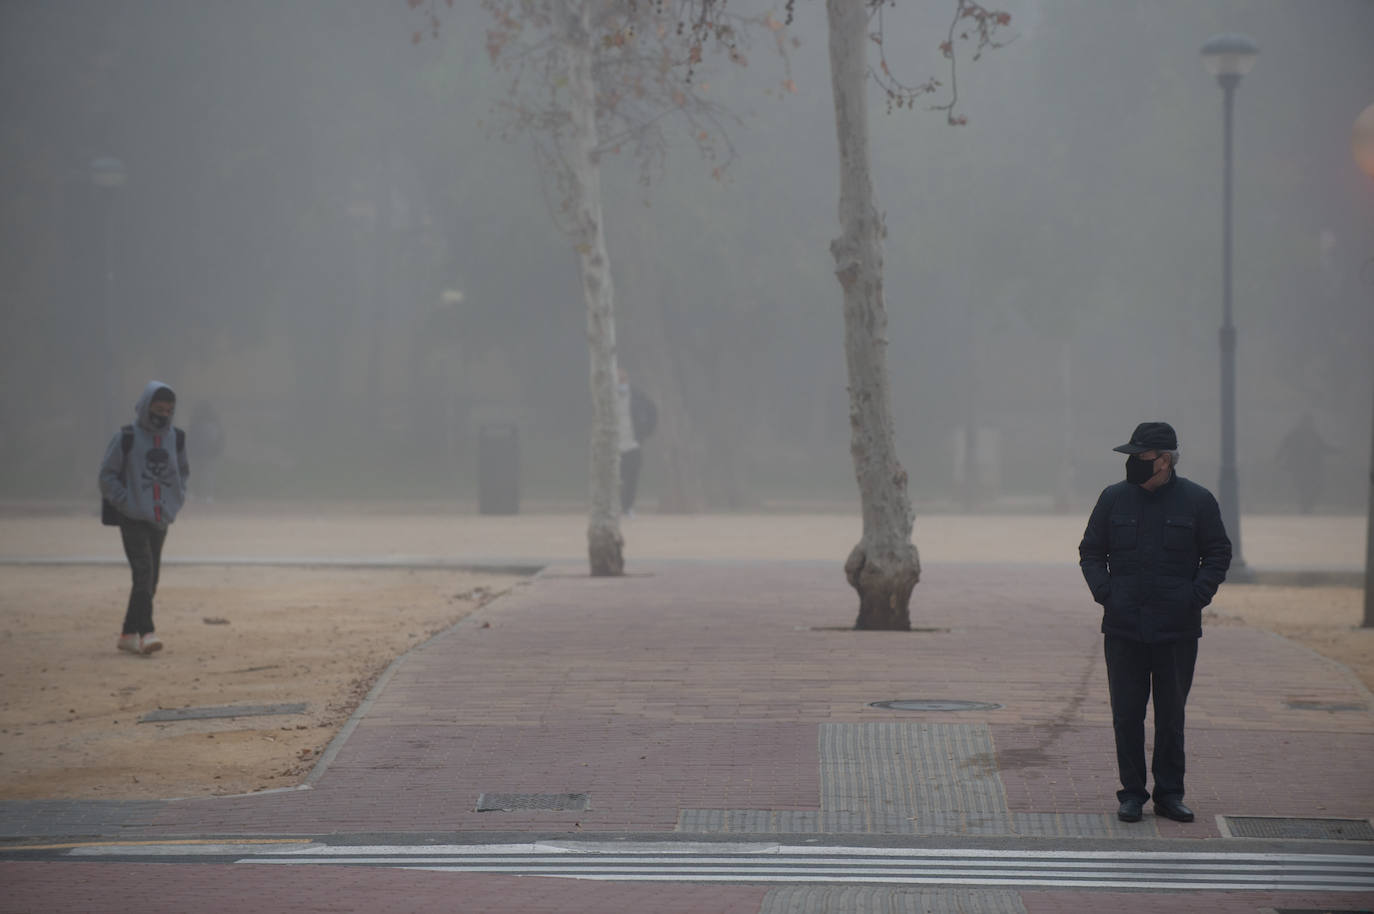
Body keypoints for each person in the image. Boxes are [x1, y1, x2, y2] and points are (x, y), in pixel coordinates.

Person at [1077, 421, 1231, 824]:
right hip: (1124, 628)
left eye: (1140, 457)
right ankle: (1131, 794)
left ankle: (1169, 794)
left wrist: (1195, 597)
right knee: (1127, 715)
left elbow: (1217, 553)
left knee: (1171, 715)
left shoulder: (1197, 501)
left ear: (1164, 461)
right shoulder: (1113, 499)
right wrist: (1105, 593)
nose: (1133, 463)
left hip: (1176, 629)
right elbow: (1091, 551)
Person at [99, 381, 190, 656]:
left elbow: (182, 473)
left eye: (169, 410)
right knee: (144, 572)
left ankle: (128, 633)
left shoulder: (177, 438)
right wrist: (126, 502)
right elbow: (107, 475)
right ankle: (147, 632)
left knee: (151, 579)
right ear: (146, 406)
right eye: (158, 408)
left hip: (161, 517)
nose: (163, 414)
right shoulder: (126, 437)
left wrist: (176, 501)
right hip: (133, 518)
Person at [615, 367, 657, 516]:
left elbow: (652, 411)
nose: (620, 383)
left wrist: (646, 432)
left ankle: (628, 507)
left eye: (623, 380)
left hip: (633, 444)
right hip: (614, 446)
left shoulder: (637, 395)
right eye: (618, 380)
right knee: (616, 479)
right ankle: (615, 506)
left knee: (632, 478)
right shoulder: (608, 398)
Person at [1274, 413, 1334, 515]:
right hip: (1300, 467)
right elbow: (1284, 446)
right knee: (1303, 487)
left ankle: (1306, 506)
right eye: (1309, 422)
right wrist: (1277, 458)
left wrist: (1335, 451)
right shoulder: (1296, 433)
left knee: (1313, 487)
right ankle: (1305, 507)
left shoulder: (1312, 434)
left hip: (1311, 467)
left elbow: (1322, 446)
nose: (1310, 424)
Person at [187, 401, 225, 503]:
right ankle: (206, 496)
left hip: (201, 454)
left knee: (199, 475)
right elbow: (219, 440)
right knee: (206, 475)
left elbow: (191, 439)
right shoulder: (214, 425)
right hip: (207, 454)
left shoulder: (196, 423)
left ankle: (195, 494)